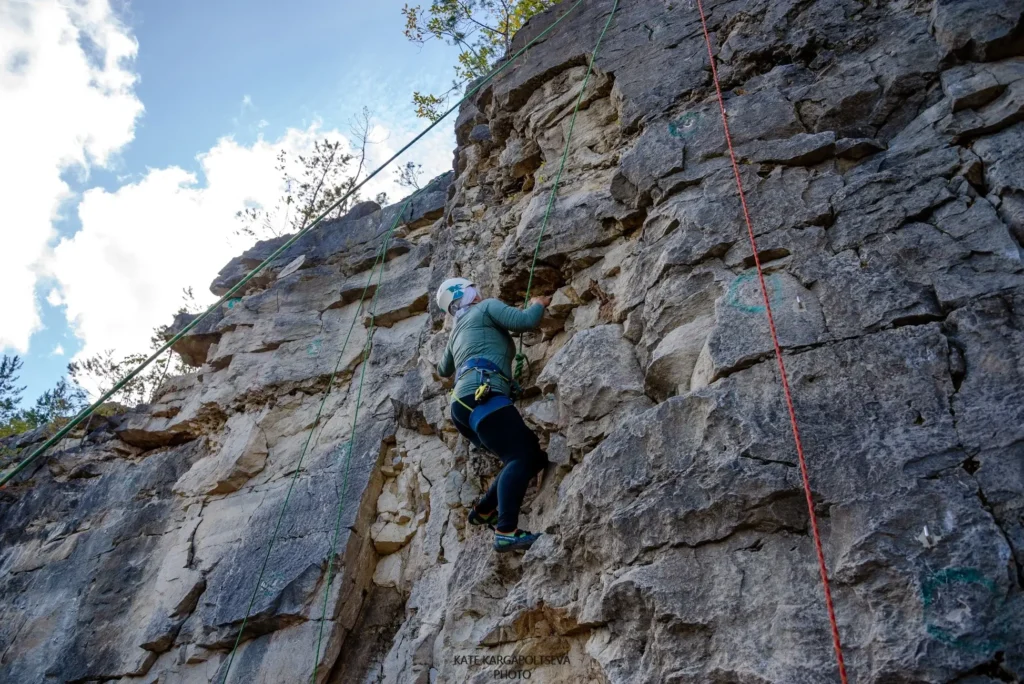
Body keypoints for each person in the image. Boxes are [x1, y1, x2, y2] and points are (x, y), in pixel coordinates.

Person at [434, 277, 551, 553]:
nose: (480, 291)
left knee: (528, 457)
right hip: (483, 395)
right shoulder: (485, 307)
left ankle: (486, 509)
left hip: (462, 408)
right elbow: (525, 322)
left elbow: (442, 369)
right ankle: (506, 531)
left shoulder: (456, 331)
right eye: (475, 289)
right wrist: (537, 304)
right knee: (522, 456)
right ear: (469, 294)